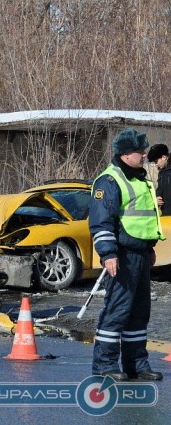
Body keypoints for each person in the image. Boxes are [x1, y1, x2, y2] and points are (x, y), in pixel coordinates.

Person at [88, 128, 165, 381]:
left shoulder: (139, 179)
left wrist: (149, 248)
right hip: (121, 255)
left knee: (139, 311)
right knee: (117, 310)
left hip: (140, 254)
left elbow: (141, 220)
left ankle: (136, 364)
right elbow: (101, 223)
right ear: (124, 154)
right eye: (138, 151)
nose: (144, 154)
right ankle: (105, 365)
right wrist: (109, 254)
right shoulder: (109, 181)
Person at [147, 143, 171, 216]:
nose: (156, 164)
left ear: (164, 157)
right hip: (166, 213)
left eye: (156, 161)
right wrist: (157, 196)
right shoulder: (161, 173)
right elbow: (160, 188)